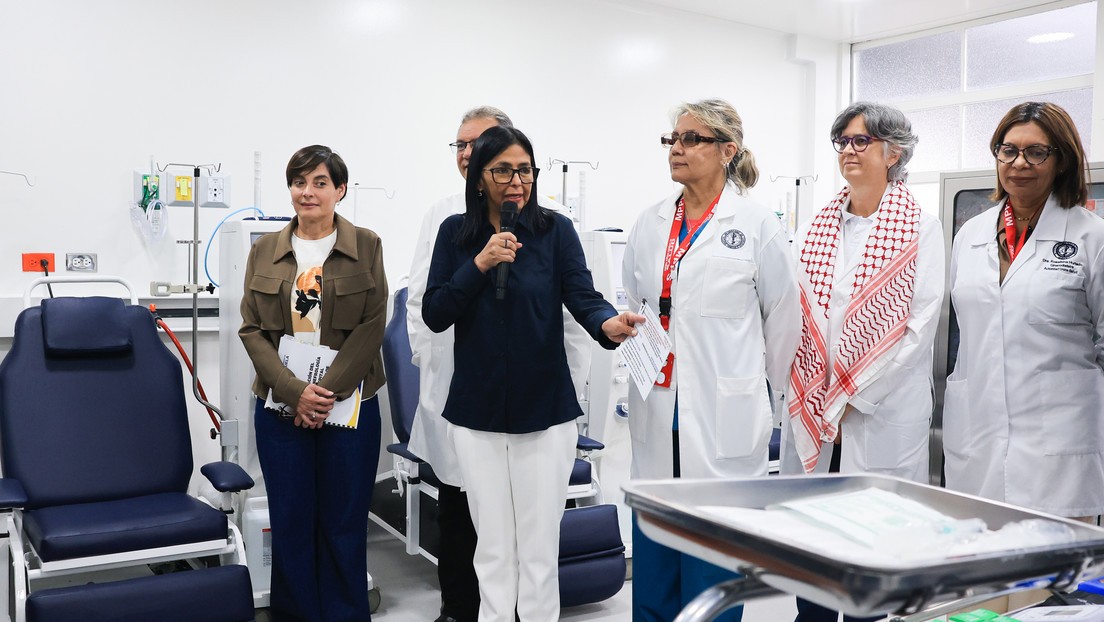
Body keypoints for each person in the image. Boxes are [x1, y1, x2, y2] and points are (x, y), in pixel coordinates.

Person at [422, 125, 643, 622]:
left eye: (525, 170)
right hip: (477, 412)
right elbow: (435, 313)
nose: (517, 181)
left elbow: (582, 295)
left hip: (545, 411)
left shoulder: (555, 231)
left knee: (539, 551)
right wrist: (479, 263)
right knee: (492, 550)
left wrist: (607, 323)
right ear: (479, 177)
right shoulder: (455, 233)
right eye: (503, 171)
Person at [621, 98, 801, 622]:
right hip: (658, 405)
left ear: (727, 150)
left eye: (691, 138)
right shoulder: (651, 222)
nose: (676, 148)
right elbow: (635, 299)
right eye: (672, 139)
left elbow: (782, 322)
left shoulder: (757, 224)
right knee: (655, 555)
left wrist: (756, 393)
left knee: (713, 566)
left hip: (727, 414)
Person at [782, 102, 944, 622]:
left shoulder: (920, 226)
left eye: (861, 141)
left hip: (879, 408)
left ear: (893, 153)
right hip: (814, 400)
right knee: (815, 537)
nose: (848, 151)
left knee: (870, 541)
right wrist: (816, 391)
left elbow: (920, 325)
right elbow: (795, 313)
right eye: (843, 142)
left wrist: (858, 396)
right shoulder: (817, 226)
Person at [239, 145, 387, 621]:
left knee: (344, 522)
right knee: (291, 520)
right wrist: (294, 392)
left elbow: (373, 323)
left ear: (340, 190)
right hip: (281, 409)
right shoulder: (264, 249)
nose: (308, 192)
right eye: (299, 182)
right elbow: (251, 329)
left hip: (349, 406)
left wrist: (325, 393)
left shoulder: (367, 245)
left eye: (320, 182)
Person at [944, 101, 1104, 520]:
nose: (1019, 163)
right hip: (977, 434)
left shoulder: (1091, 237)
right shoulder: (970, 235)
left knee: (1053, 560)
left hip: (1061, 444)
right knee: (978, 557)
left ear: (1062, 160)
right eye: (1008, 150)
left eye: (1036, 152)